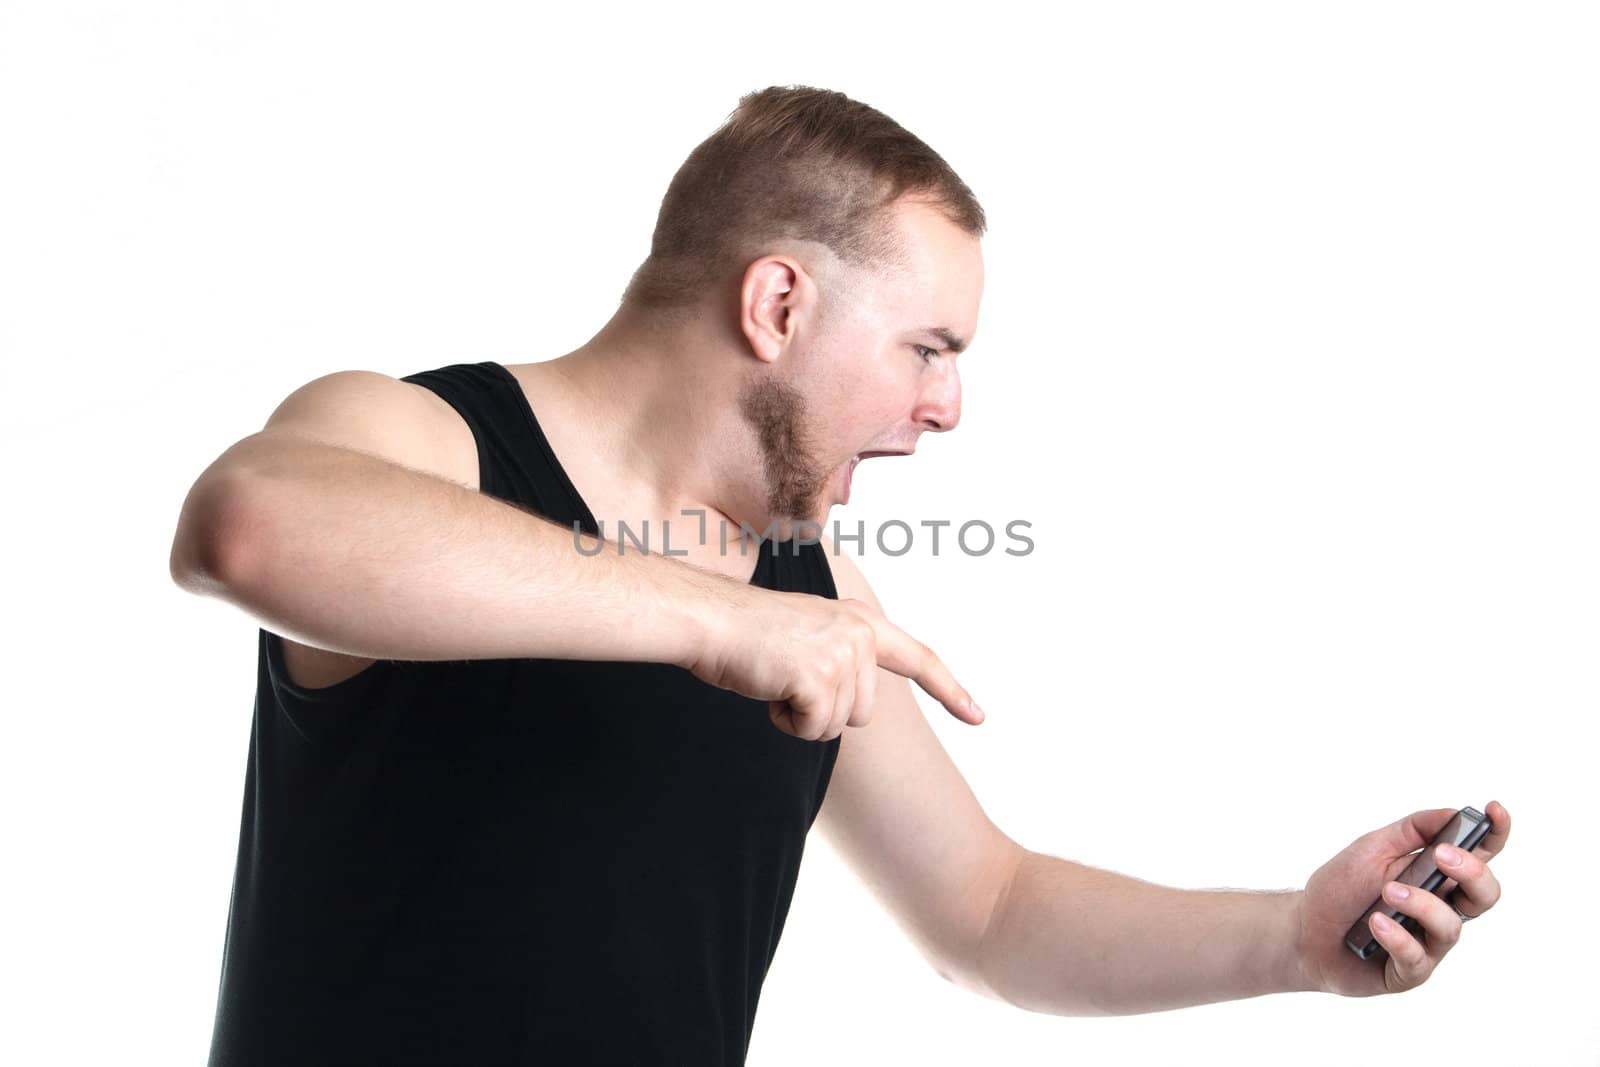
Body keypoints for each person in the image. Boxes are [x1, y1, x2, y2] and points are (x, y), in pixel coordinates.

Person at [169, 85, 1511, 1065]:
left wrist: (1294, 938)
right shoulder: (424, 435)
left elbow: (987, 912)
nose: (948, 407)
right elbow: (249, 526)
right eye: (928, 348)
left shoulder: (805, 593)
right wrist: (713, 621)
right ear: (777, 305)